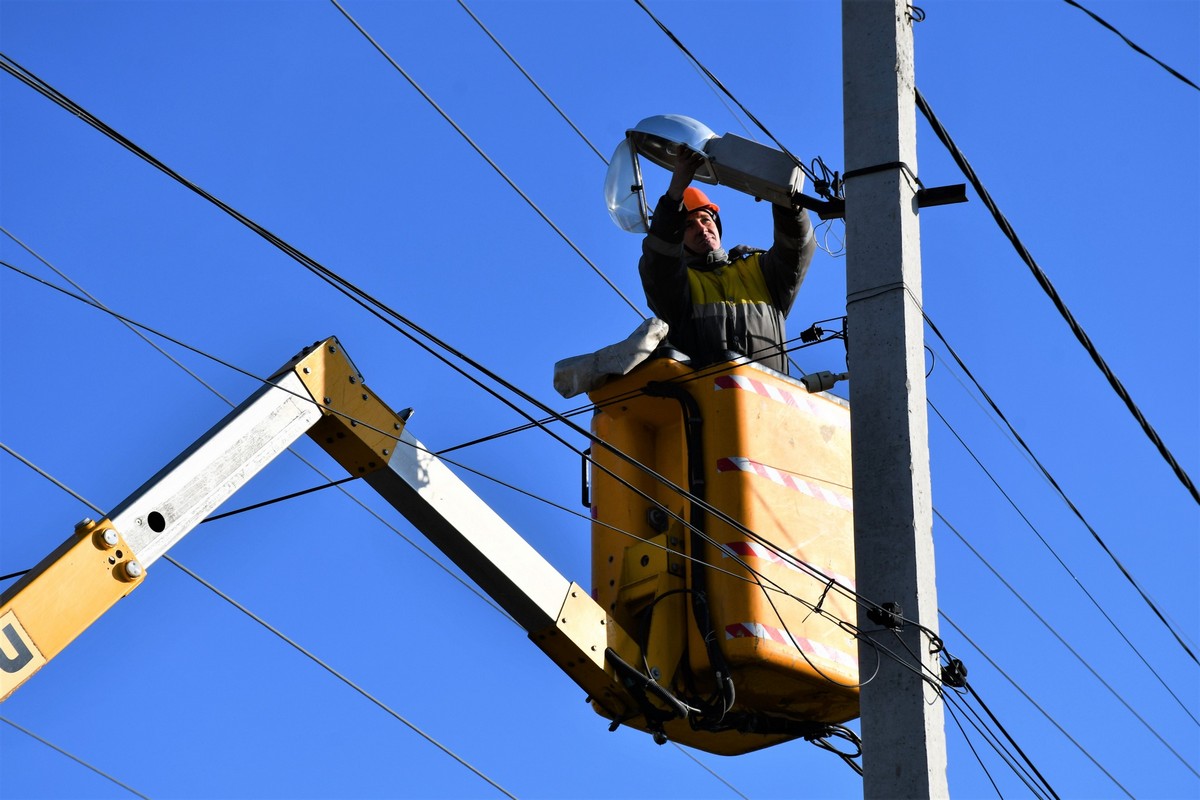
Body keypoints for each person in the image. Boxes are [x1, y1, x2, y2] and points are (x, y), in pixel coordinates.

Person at [638, 150, 816, 373]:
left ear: (717, 224)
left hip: (771, 401)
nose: (702, 229)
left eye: (705, 220)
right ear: (678, 238)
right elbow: (659, 260)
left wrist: (784, 201)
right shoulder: (679, 285)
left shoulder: (758, 269)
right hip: (708, 403)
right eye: (689, 226)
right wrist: (674, 195)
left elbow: (797, 246)